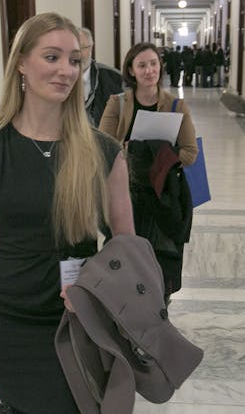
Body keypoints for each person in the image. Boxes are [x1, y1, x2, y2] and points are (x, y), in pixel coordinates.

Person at [0, 13, 134, 414]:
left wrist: (95, 288)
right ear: (21, 62)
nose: (66, 70)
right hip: (8, 315)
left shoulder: (103, 151)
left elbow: (127, 248)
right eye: (51, 57)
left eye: (75, 60)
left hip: (76, 315)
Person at [99, 42, 198, 304]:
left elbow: (190, 152)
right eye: (142, 65)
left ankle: (157, 315)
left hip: (161, 196)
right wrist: (133, 150)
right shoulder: (117, 104)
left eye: (153, 64)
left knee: (159, 265)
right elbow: (102, 146)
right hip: (125, 194)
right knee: (124, 261)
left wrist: (159, 155)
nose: (149, 70)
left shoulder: (177, 106)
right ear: (131, 71)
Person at [78, 27, 123, 127]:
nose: (77, 54)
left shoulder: (114, 78)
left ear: (91, 48)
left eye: (81, 48)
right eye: (73, 49)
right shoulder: (58, 79)